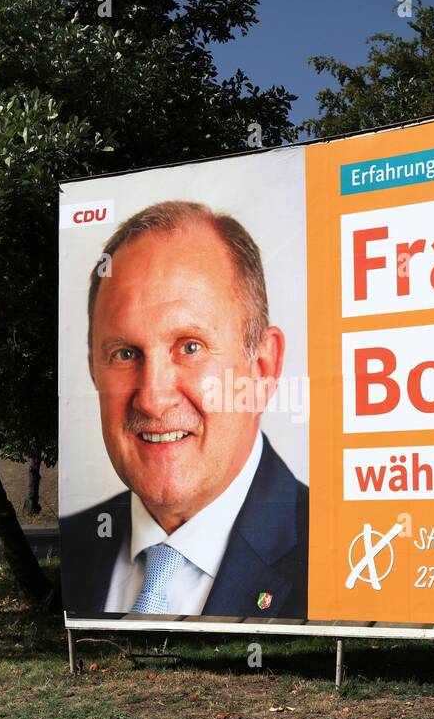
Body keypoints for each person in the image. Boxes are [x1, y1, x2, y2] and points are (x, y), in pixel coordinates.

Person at [60, 201, 308, 619]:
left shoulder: (345, 552)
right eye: (124, 354)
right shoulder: (73, 544)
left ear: (262, 369)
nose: (153, 399)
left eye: (190, 347)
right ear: (93, 372)